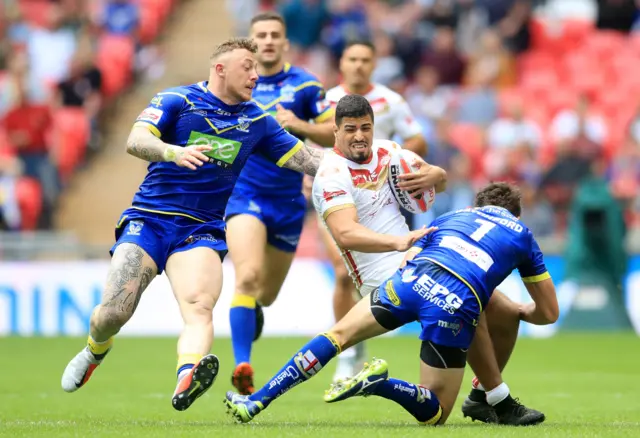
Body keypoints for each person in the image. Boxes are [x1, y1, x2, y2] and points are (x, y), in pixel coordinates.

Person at [60, 37, 325, 411]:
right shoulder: (177, 101)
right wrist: (173, 151)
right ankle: (96, 348)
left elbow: (307, 159)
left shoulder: (257, 121)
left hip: (199, 230)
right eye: (247, 67)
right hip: (150, 220)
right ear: (220, 69)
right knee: (113, 313)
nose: (255, 75)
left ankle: (187, 375)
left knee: (200, 306)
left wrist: (364, 168)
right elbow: (135, 140)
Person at [225, 180, 559, 426]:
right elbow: (548, 312)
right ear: (516, 214)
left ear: (477, 204)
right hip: (452, 301)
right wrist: (516, 311)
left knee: (337, 335)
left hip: (409, 279)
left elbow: (413, 251)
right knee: (437, 412)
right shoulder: (522, 235)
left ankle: (254, 402)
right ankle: (382, 384)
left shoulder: (455, 215)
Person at [225, 11, 335, 396]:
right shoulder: (234, 85)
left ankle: (248, 311)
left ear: (285, 43)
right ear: (250, 43)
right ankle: (243, 366)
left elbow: (335, 131)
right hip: (245, 195)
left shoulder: (305, 85)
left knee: (265, 296)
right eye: (261, 35)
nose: (269, 40)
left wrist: (298, 126)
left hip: (289, 202)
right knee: (248, 277)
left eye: (275, 35)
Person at [323, 39, 428, 381]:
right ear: (342, 62)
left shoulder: (392, 101)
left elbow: (417, 140)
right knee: (342, 273)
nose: (358, 65)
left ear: (373, 64)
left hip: (382, 198)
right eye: (352, 58)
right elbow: (313, 147)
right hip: (339, 194)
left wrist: (399, 163)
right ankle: (348, 353)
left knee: (405, 271)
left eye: (365, 59)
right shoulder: (325, 102)